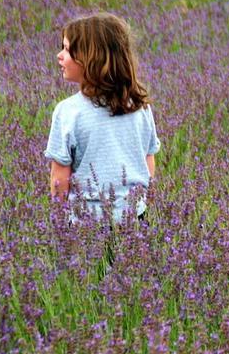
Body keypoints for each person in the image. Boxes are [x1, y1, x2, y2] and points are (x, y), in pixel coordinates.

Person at [45, 11, 160, 224]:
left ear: (89, 59)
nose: (59, 56)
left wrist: (60, 224)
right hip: (134, 218)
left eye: (67, 50)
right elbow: (148, 161)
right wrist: (144, 202)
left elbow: (59, 180)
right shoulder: (139, 106)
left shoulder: (68, 112)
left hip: (87, 224)